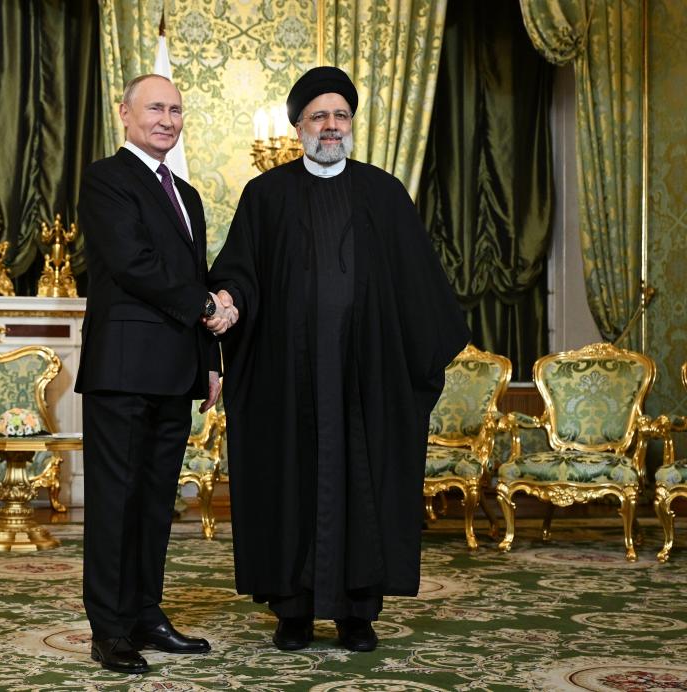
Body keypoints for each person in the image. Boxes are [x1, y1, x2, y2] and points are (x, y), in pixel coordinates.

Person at [208, 66, 470, 653]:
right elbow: (238, 273)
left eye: (341, 115)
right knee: (288, 483)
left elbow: (418, 282)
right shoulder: (266, 196)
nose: (331, 126)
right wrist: (227, 299)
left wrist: (420, 352)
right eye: (319, 116)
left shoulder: (383, 192)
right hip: (285, 374)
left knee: (366, 483)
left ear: (352, 124)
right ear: (297, 125)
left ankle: (358, 614)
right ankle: (292, 612)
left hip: (366, 376)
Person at [75, 74, 236, 675]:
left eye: (175, 109)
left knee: (153, 503)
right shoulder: (106, 179)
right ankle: (109, 629)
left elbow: (193, 274)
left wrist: (210, 360)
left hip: (175, 370)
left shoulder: (188, 194)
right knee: (115, 502)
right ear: (125, 114)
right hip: (123, 368)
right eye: (155, 108)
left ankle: (146, 614)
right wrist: (205, 307)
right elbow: (133, 264)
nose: (167, 119)